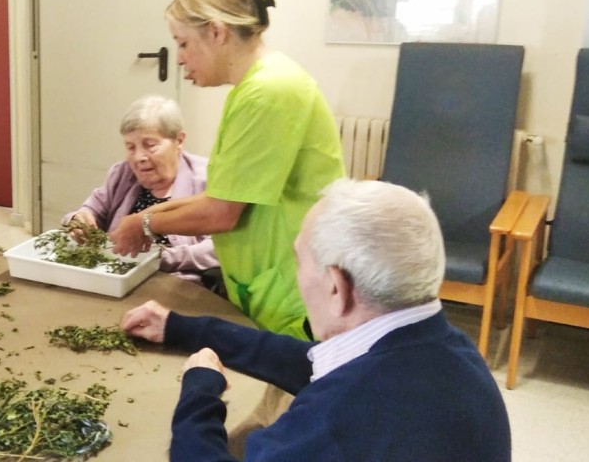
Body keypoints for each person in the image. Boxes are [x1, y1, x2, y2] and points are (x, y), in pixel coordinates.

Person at [122, 179, 512, 461]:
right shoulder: (451, 352)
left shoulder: (333, 424)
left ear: (336, 288)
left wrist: (200, 392)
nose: (297, 275)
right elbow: (310, 362)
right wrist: (183, 327)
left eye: (299, 260)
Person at [110, 0, 344, 341]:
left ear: (217, 32)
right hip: (269, 277)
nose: (180, 59)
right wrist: (140, 218)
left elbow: (221, 212)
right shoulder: (257, 86)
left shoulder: (269, 91)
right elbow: (224, 194)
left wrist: (145, 224)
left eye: (183, 43)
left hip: (292, 287)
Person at [64, 95, 219, 287]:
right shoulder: (122, 173)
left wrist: (159, 259)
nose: (139, 157)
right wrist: (78, 220)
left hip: (178, 284)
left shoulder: (207, 178)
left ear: (179, 140)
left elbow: (218, 249)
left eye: (150, 145)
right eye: (130, 147)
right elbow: (90, 210)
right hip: (114, 278)